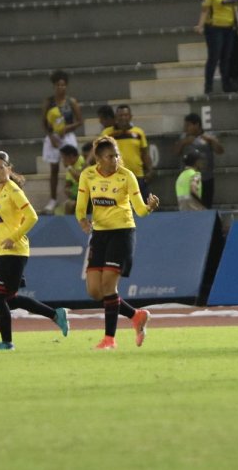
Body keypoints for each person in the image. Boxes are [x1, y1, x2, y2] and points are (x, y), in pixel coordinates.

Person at [0, 151, 71, 350]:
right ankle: (56, 314)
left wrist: (13, 237)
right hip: (1, 251)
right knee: (9, 299)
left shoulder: (13, 191)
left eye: (0, 167)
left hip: (15, 251)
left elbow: (32, 217)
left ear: (9, 169)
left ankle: (7, 342)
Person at [76, 136, 159, 350]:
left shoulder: (126, 176)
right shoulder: (88, 175)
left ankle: (109, 339)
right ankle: (136, 315)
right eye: (109, 156)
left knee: (108, 285)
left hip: (122, 233)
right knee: (95, 291)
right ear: (99, 158)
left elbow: (139, 210)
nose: (114, 160)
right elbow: (80, 207)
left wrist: (149, 207)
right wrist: (83, 221)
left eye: (116, 155)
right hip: (100, 235)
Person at [41, 71, 84, 214]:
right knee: (54, 169)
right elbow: (43, 123)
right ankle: (52, 200)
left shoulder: (71, 102)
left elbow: (80, 121)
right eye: (58, 85)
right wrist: (51, 137)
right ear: (54, 86)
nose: (61, 88)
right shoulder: (49, 102)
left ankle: (77, 195)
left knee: (72, 166)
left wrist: (67, 128)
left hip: (68, 136)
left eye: (63, 85)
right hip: (53, 137)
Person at [196, 0, 238, 94]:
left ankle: (226, 85)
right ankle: (208, 86)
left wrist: (235, 22)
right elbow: (205, 10)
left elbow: (232, 5)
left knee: (226, 57)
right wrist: (200, 25)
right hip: (214, 28)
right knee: (214, 57)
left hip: (229, 27)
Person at [99, 104, 154, 198]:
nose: (123, 118)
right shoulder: (107, 133)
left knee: (144, 204)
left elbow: (145, 153)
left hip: (137, 176)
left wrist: (150, 170)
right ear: (116, 117)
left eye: (125, 115)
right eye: (120, 115)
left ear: (130, 117)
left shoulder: (138, 133)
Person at [172, 113, 224, 208]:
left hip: (206, 178)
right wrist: (183, 143)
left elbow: (220, 151)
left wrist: (212, 140)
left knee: (206, 207)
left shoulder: (209, 136)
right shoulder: (183, 138)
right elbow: (175, 153)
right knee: (190, 207)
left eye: (188, 125)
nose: (185, 128)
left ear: (197, 125)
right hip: (189, 179)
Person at [58, 144, 87, 215]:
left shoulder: (83, 162)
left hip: (86, 196)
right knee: (58, 210)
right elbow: (68, 184)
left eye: (64, 158)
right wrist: (66, 189)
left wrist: (68, 167)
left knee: (69, 205)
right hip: (75, 196)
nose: (63, 161)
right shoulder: (71, 167)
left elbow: (79, 179)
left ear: (71, 156)